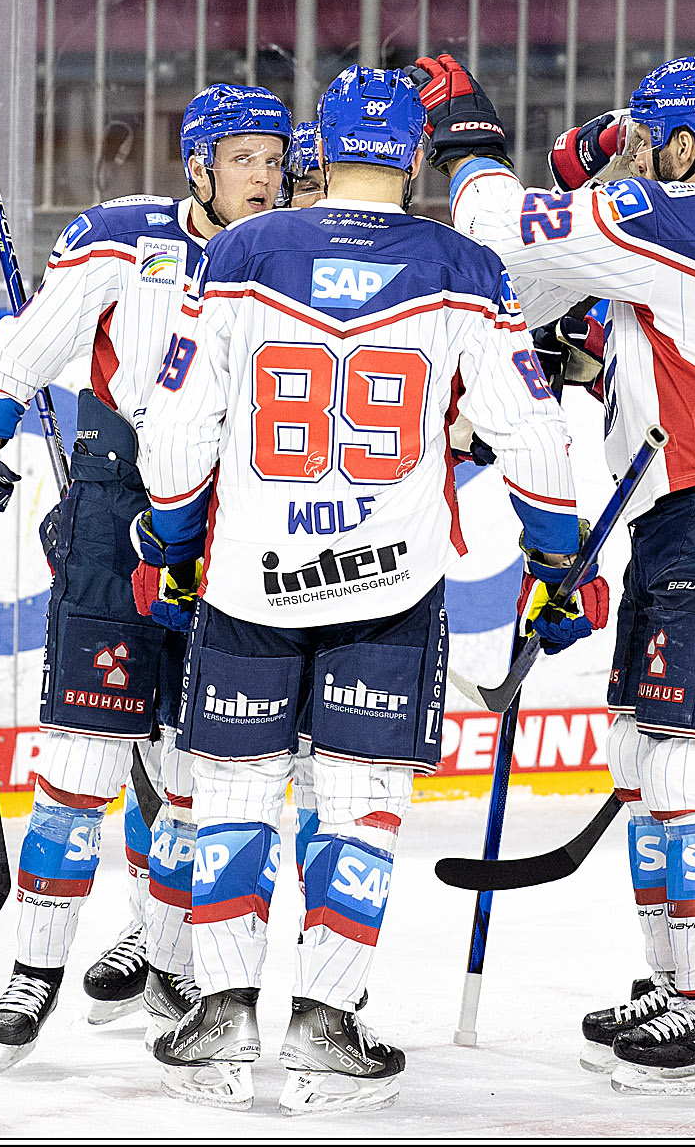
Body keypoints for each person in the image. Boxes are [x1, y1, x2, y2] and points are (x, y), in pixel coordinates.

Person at [133, 65, 609, 1115]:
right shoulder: (465, 267)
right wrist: (555, 558)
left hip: (248, 583)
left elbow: (175, 430)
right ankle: (323, 1023)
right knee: (360, 809)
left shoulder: (237, 254)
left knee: (234, 796)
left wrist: (171, 533)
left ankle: (218, 1014)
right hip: (390, 587)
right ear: (409, 150)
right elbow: (529, 432)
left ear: (318, 145)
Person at [409, 51, 695, 1095]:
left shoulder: (660, 223)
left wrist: (475, 143)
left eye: (647, 134)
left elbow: (494, 233)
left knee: (685, 760)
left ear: (683, 145)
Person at [0, 82, 293, 1069]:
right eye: (243, 156)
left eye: (275, 157)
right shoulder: (125, 240)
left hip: (240, 525)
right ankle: (33, 969)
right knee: (80, 758)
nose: (264, 174)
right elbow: (14, 362)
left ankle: (165, 956)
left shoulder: (294, 259)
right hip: (117, 509)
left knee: (193, 776)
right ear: (197, 165)